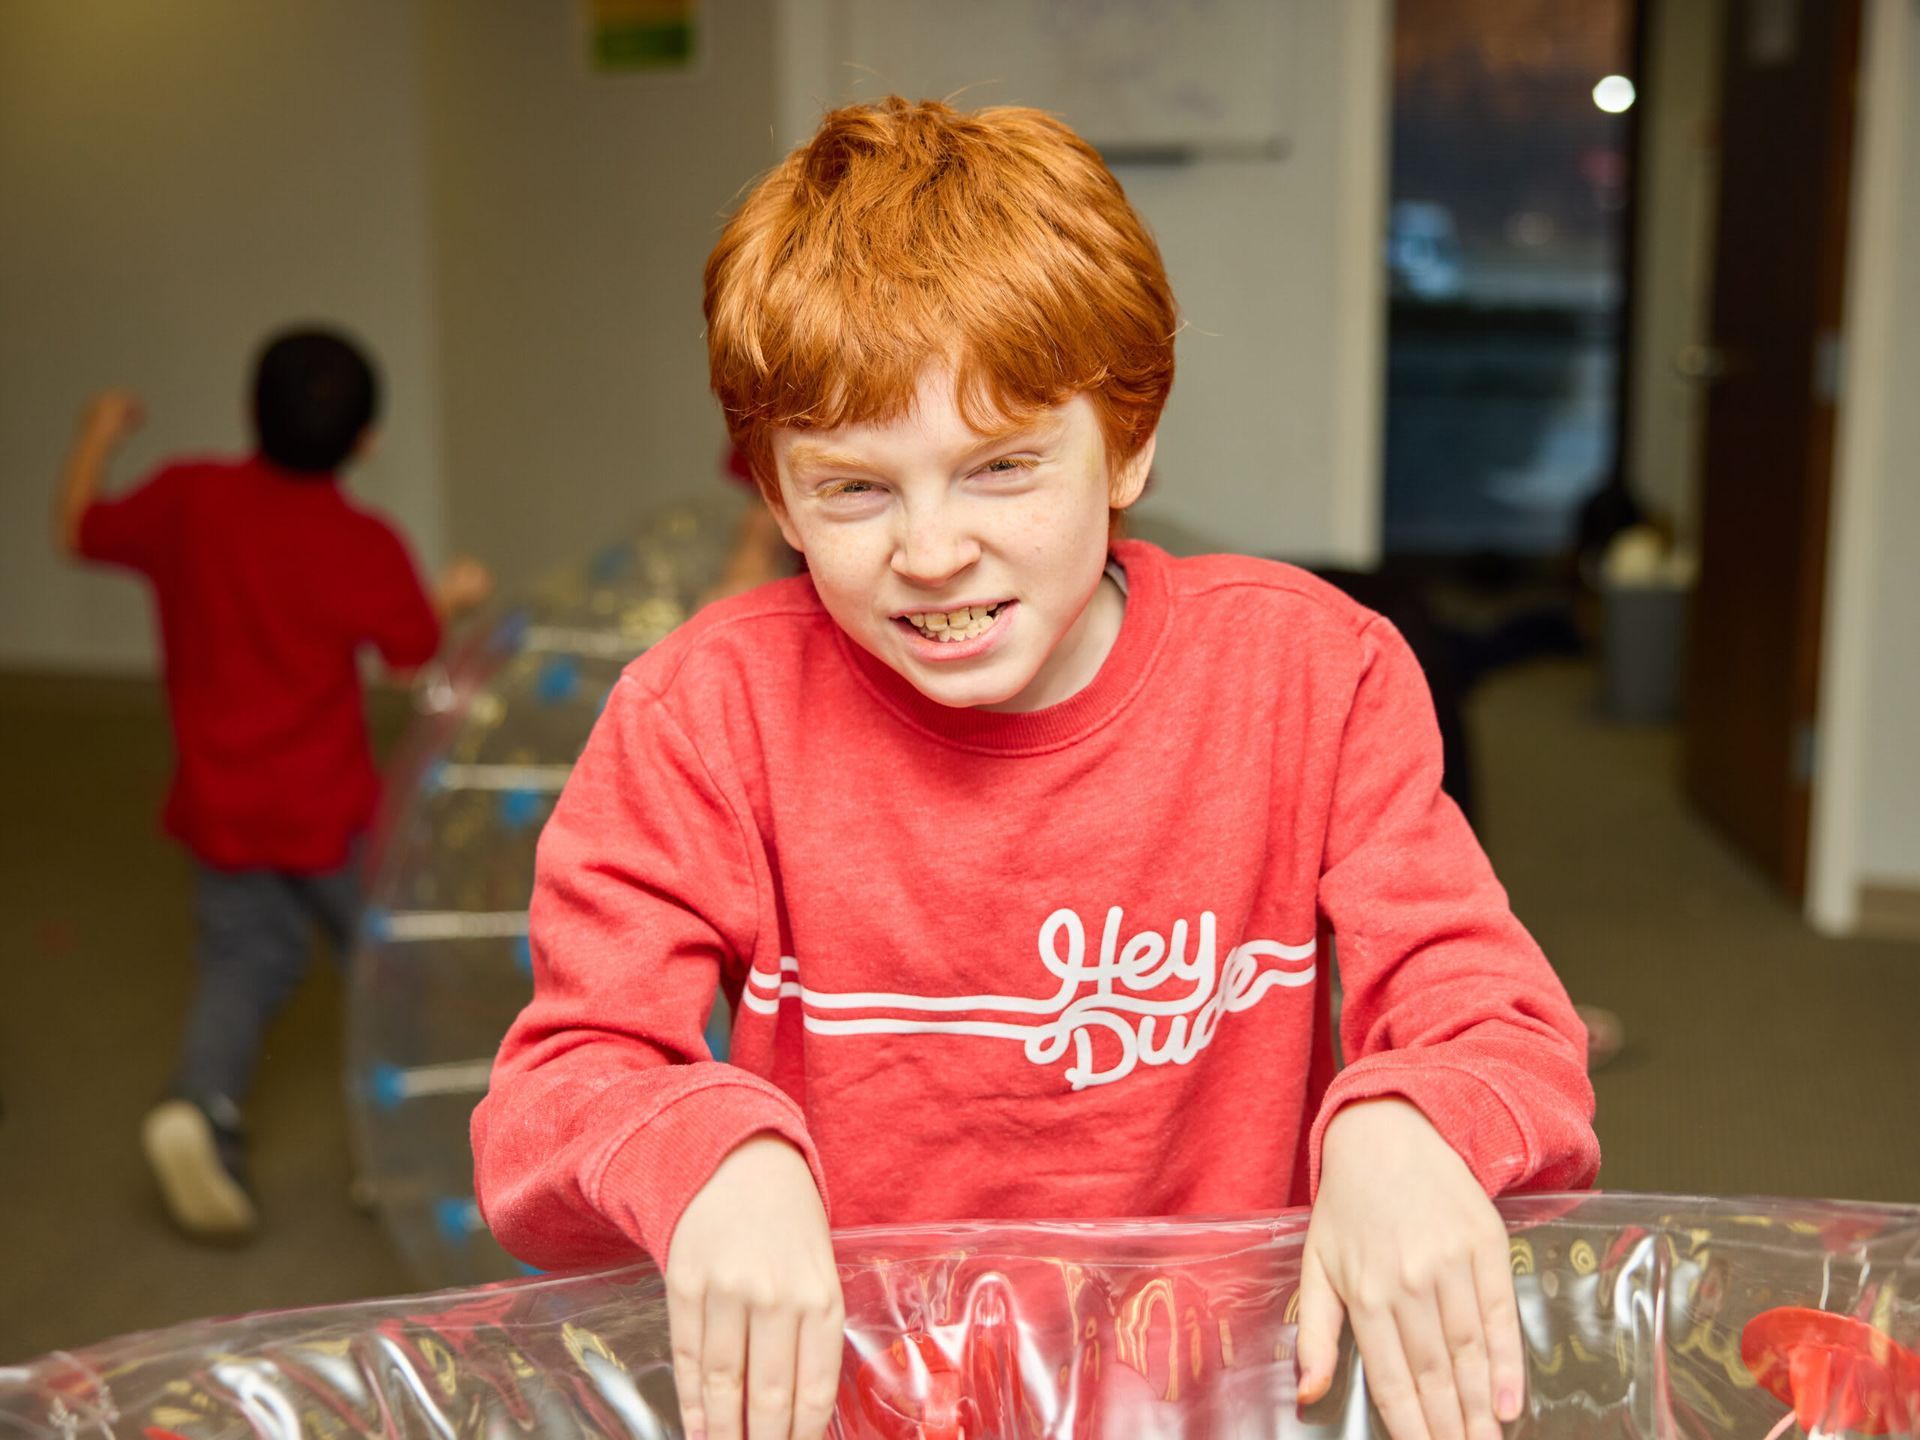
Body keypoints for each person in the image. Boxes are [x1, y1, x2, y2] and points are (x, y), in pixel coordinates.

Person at [474, 99, 1598, 1440]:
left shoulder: (1316, 678)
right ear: (773, 496)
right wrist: (714, 1156)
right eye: (854, 489)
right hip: (863, 1409)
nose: (933, 549)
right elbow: (555, 1098)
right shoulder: (702, 713)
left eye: (1002, 468)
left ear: (1128, 441)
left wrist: (1408, 1124)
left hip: (1222, 1406)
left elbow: (1509, 1036)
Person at [55, 327, 491, 1241]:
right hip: (329, 814)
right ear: (367, 440)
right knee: (386, 971)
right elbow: (411, 655)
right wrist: (449, 597)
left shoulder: (188, 498)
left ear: (250, 412)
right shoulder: (362, 542)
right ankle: (400, 1154)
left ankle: (199, 1106)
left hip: (220, 805)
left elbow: (80, 528)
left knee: (242, 962)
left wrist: (100, 428)